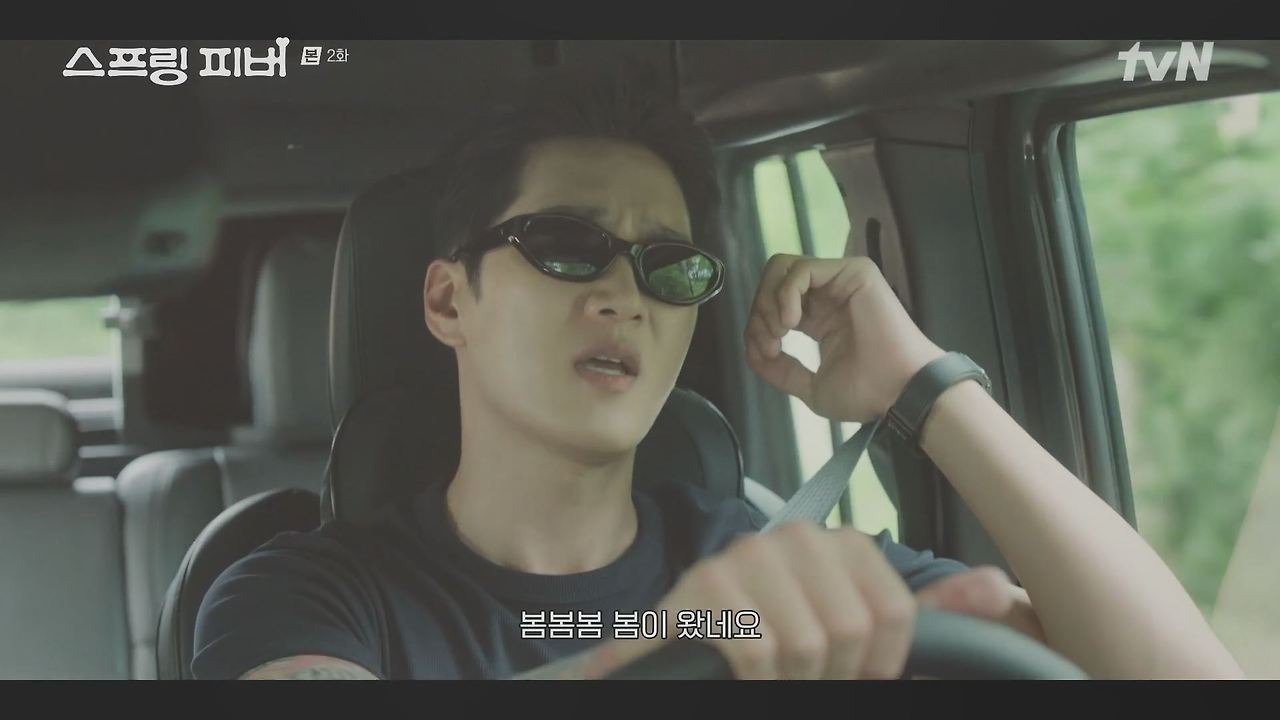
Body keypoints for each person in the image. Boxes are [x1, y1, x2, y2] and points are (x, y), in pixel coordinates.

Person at [191, 65, 1243, 681]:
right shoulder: (304, 594)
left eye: (670, 266)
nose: (625, 295)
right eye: (567, 244)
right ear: (446, 301)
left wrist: (921, 385)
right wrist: (658, 655)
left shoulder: (775, 569)